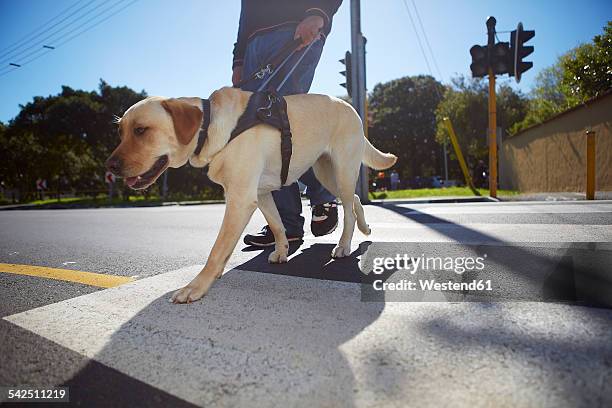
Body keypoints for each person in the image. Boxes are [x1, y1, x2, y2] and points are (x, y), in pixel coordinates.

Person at [231, 0, 343, 247]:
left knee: (282, 124)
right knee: (261, 133)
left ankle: (323, 193)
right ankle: (285, 223)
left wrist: (318, 13)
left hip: (294, 28)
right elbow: (246, 10)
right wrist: (239, 59)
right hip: (254, 45)